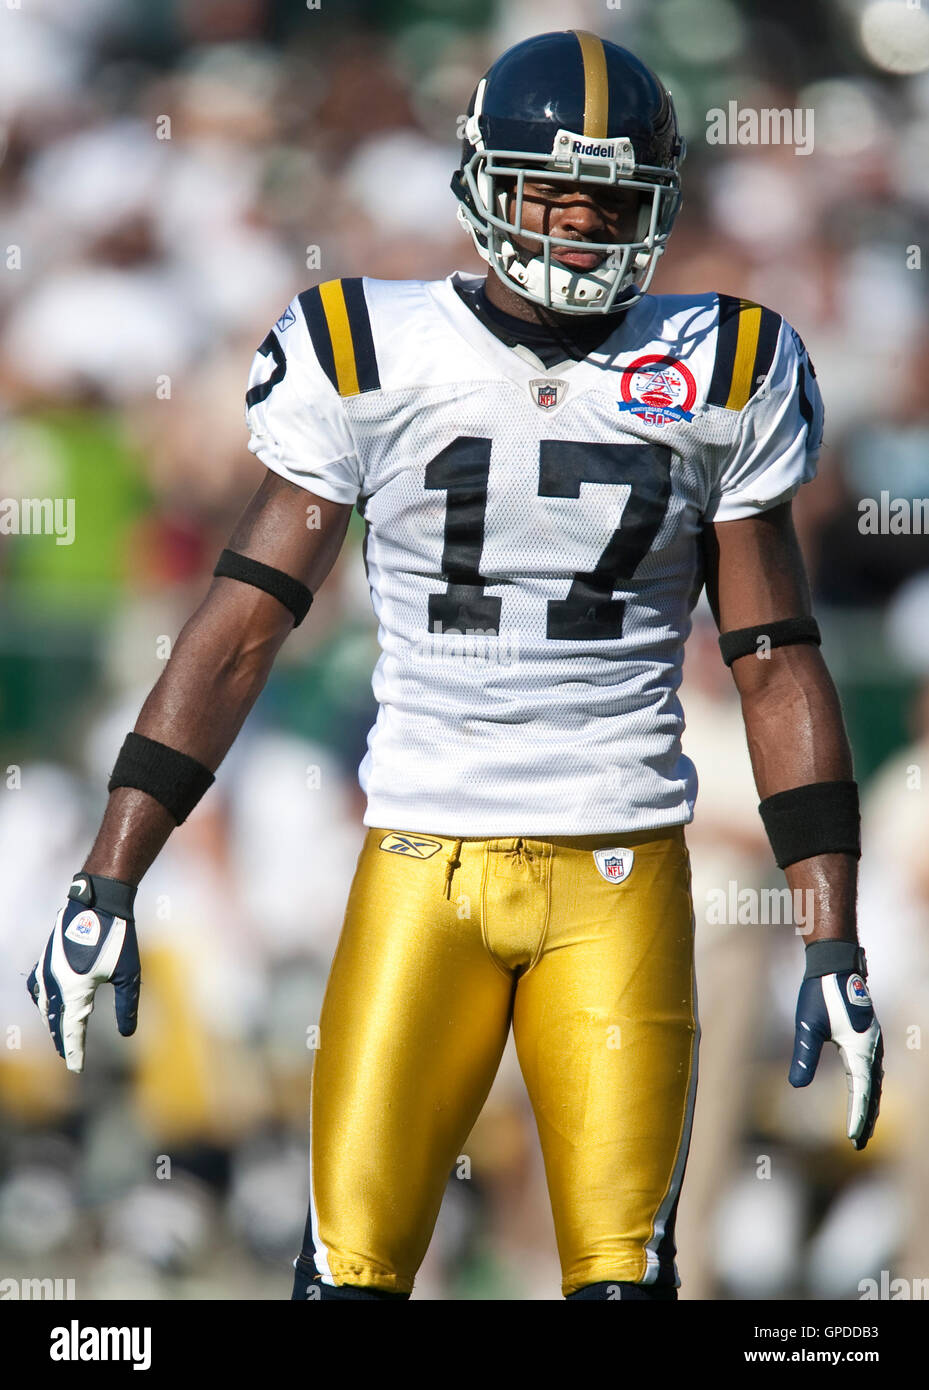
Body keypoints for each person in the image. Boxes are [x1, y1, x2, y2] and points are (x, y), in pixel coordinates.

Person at [27, 30, 883, 1301]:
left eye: (608, 199)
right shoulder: (370, 350)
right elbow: (244, 621)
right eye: (551, 191)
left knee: (621, 1279)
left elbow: (771, 660)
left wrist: (832, 934)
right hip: (420, 851)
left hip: (620, 860)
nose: (581, 226)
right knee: (349, 1275)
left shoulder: (727, 367)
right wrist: (110, 870)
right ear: (485, 183)